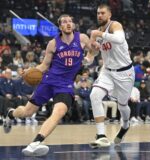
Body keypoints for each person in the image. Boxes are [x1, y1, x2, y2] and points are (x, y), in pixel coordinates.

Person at [3, 14, 94, 156]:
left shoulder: (82, 38)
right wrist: (31, 71)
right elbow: (45, 65)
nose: (68, 23)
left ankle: (35, 142)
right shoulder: (53, 43)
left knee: (59, 112)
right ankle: (10, 114)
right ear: (60, 27)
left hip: (65, 85)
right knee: (27, 112)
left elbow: (94, 49)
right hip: (49, 81)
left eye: (70, 21)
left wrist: (89, 57)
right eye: (64, 22)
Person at [89, 4, 135, 148]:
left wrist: (97, 34)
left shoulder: (115, 25)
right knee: (94, 95)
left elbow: (120, 39)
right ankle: (102, 135)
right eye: (98, 13)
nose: (99, 15)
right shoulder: (99, 31)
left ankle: (126, 125)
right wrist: (90, 55)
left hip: (124, 72)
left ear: (109, 15)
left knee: (122, 106)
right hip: (107, 71)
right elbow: (96, 51)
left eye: (102, 13)